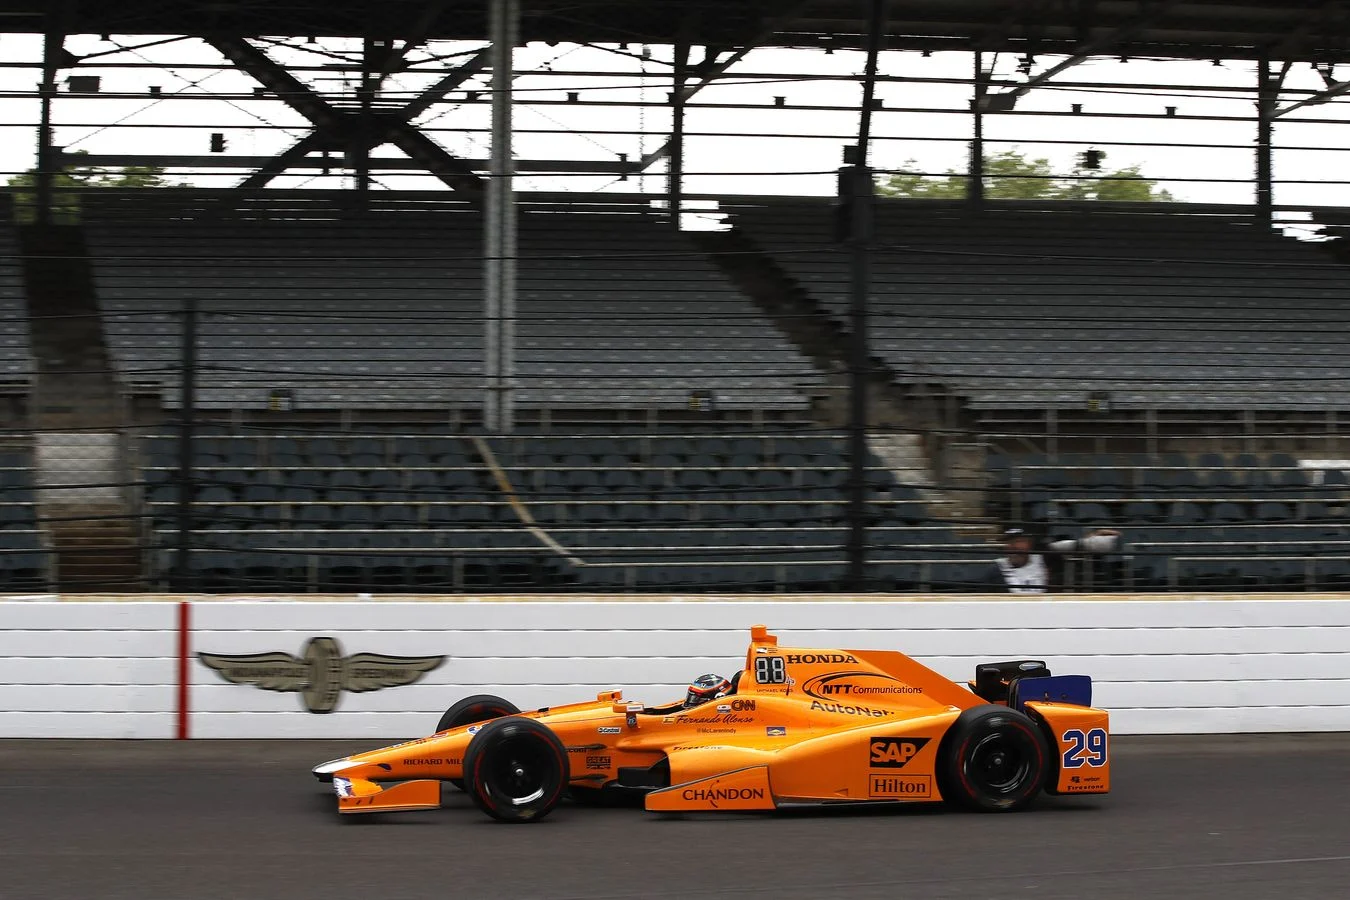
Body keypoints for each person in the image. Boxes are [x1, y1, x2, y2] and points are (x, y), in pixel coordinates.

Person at [994, 526, 1122, 593]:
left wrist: (1092, 537)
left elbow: (1079, 546)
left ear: (1029, 543)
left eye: (1019, 541)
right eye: (1009, 542)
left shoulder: (1045, 556)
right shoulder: (996, 570)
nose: (1014, 547)